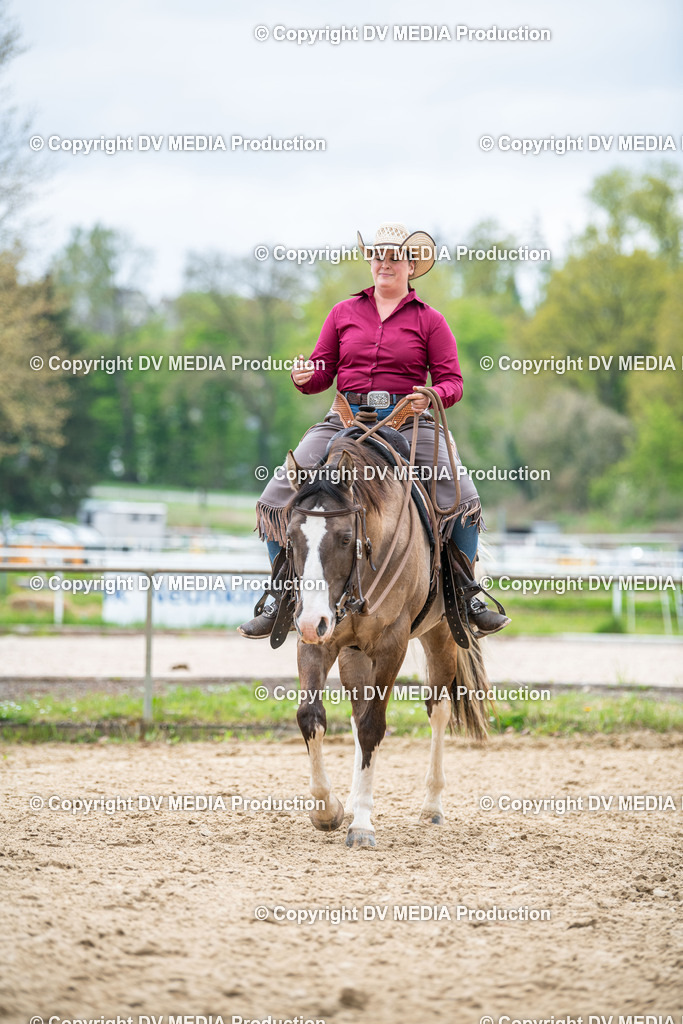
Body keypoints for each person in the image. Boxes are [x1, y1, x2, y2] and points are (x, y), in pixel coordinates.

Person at [239, 222, 510, 639]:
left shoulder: (431, 321)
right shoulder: (342, 313)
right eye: (377, 255)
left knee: (463, 497)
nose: (384, 263)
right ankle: (281, 595)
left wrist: (431, 396)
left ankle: (466, 594)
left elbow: (453, 382)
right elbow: (321, 373)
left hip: (409, 420)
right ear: (370, 261)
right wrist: (303, 377)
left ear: (410, 266)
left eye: (394, 256)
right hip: (344, 419)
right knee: (274, 496)